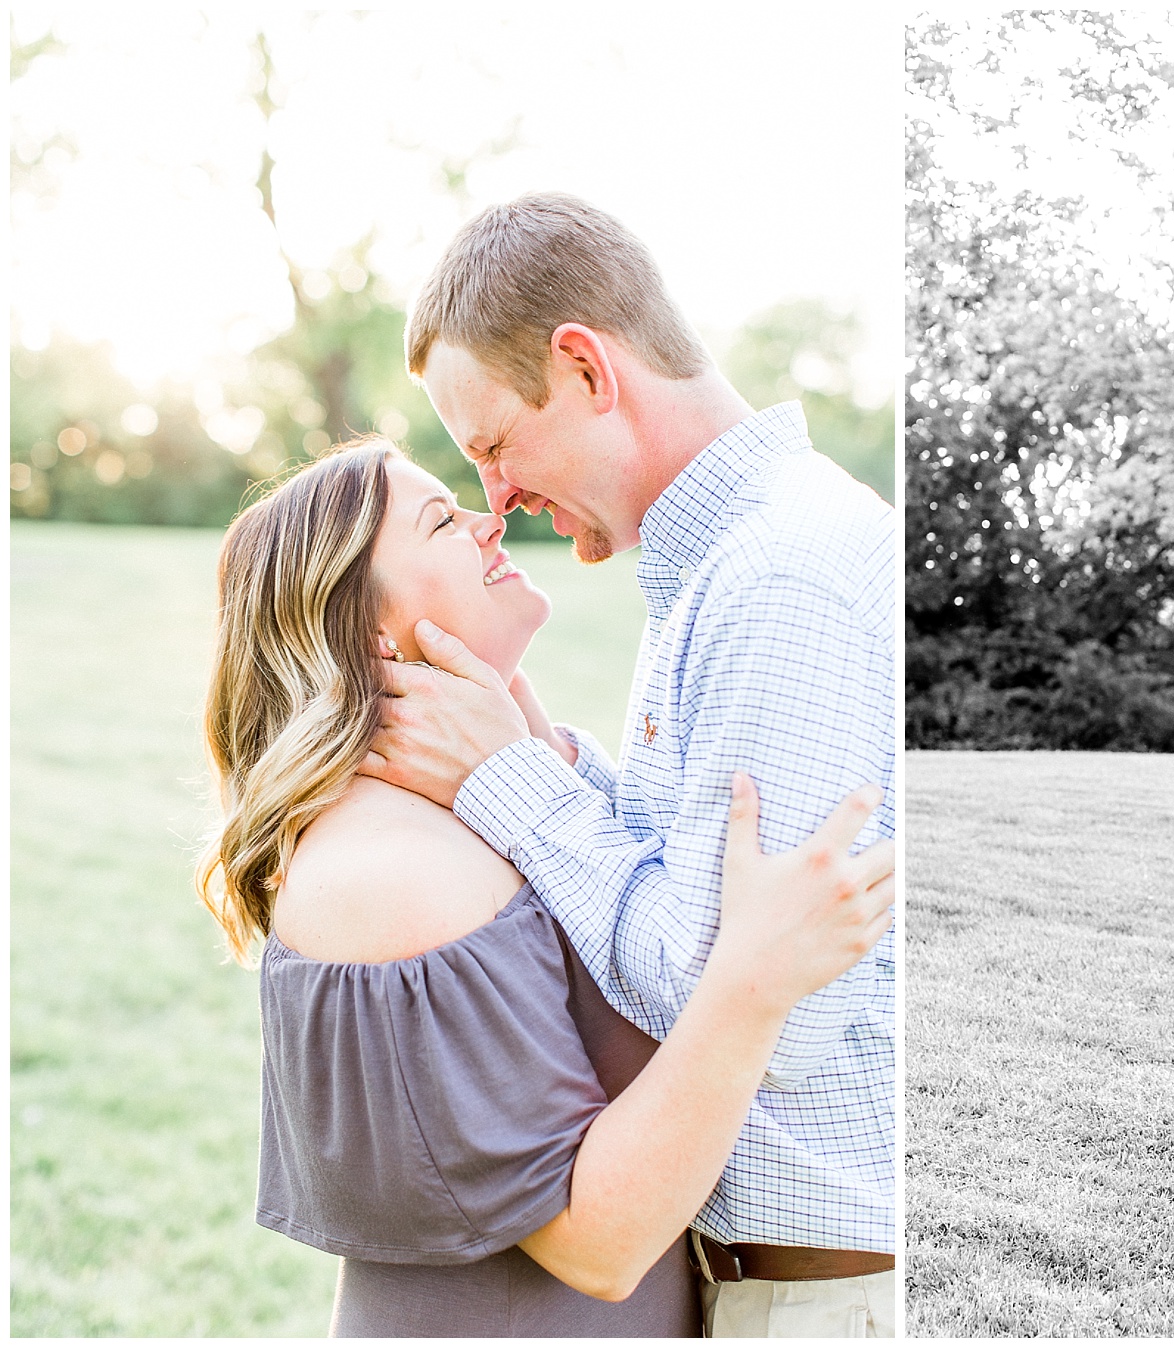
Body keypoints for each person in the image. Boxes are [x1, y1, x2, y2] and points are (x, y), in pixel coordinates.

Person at [196, 441, 894, 1336]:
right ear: (372, 632)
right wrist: (756, 978)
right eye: (443, 520)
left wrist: (527, 744)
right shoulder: (388, 871)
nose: (491, 517)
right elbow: (597, 1243)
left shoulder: (467, 805)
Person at [361, 193, 897, 1336]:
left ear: (586, 367)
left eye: (495, 446)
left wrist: (509, 786)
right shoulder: (720, 563)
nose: (495, 499)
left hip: (823, 1293)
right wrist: (547, 754)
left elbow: (760, 1005)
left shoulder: (779, 580)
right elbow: (693, 881)